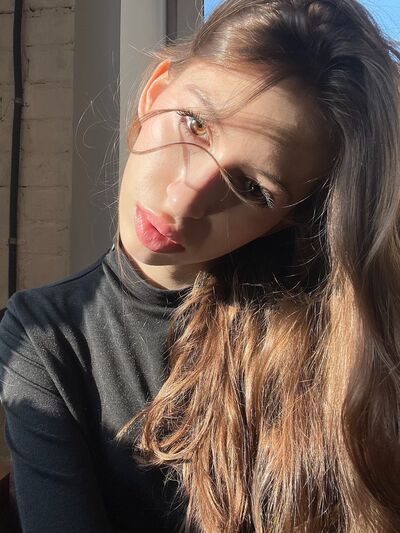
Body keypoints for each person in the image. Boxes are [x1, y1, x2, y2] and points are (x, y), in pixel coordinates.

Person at [1, 0, 399, 531]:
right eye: (194, 124)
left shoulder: (342, 352)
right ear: (153, 92)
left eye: (253, 187)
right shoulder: (46, 336)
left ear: (285, 220)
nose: (183, 201)